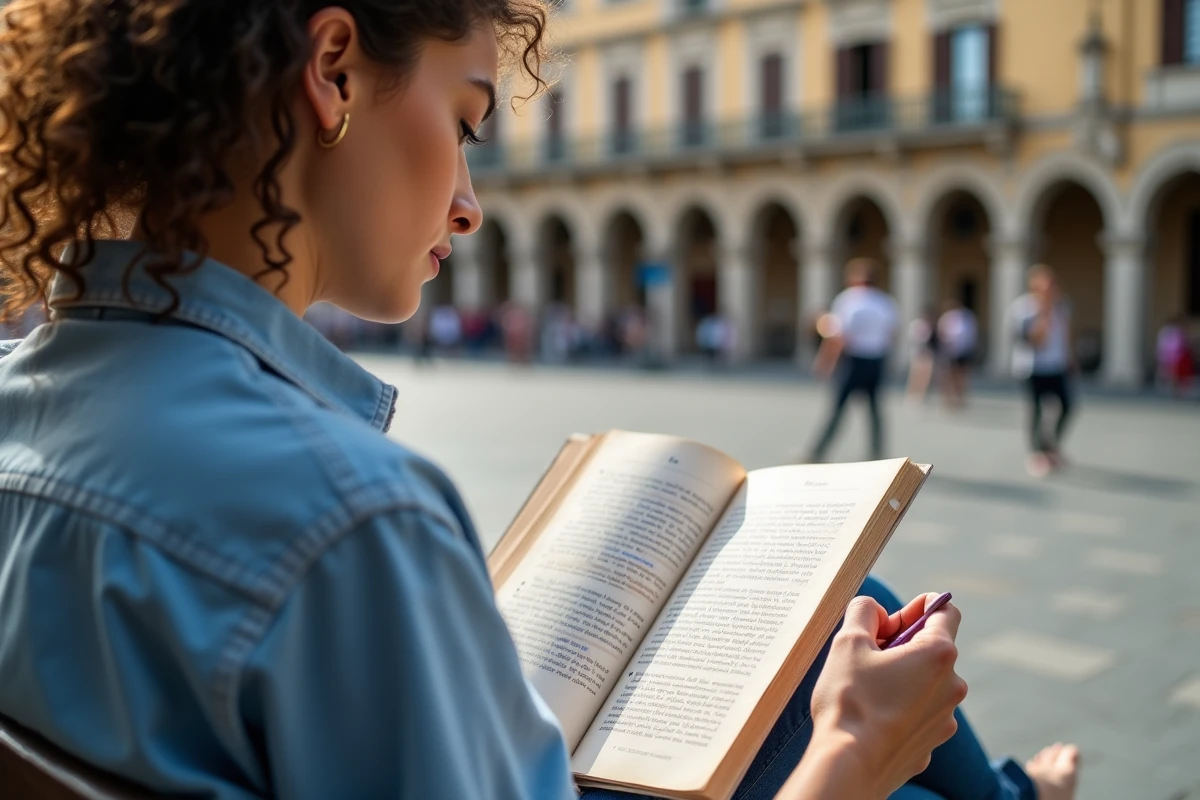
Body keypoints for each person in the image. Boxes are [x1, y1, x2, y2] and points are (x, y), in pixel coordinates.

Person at [0, 2, 1077, 798]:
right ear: (331, 70)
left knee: (832, 600)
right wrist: (846, 759)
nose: (468, 204)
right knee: (879, 721)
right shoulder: (351, 518)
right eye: (466, 123)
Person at [807, 258, 900, 463]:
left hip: (853, 360)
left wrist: (825, 362)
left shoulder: (848, 300)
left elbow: (839, 337)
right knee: (875, 410)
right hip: (876, 359)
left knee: (838, 409)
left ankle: (817, 452)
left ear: (855, 279)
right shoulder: (886, 302)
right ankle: (877, 454)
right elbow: (892, 334)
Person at [1010, 265, 1076, 477]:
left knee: (1067, 406)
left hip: (1056, 365)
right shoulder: (1023, 308)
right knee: (1036, 411)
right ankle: (1037, 454)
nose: (1050, 289)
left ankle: (1051, 446)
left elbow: (1065, 334)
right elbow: (1035, 341)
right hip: (1032, 368)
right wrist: (1044, 312)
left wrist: (1070, 358)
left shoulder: (1062, 305)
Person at [937, 297, 978, 410]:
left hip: (963, 351)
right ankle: (948, 399)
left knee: (962, 376)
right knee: (948, 376)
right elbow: (941, 334)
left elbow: (972, 335)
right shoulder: (947, 317)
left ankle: (960, 398)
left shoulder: (968, 317)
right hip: (949, 352)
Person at [905, 305, 940, 405]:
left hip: (928, 354)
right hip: (919, 353)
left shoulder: (931, 325)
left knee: (926, 377)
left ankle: (921, 396)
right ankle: (912, 396)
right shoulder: (918, 324)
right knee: (916, 376)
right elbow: (915, 339)